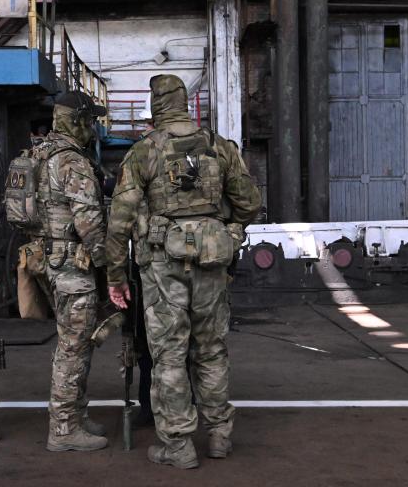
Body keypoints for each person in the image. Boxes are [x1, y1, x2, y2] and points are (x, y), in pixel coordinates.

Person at [105, 74, 261, 469]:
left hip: (162, 265)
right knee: (211, 350)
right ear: (187, 104)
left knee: (169, 355)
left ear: (155, 106)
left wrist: (115, 276)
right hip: (212, 262)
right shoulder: (219, 146)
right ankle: (220, 436)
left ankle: (178, 446)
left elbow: (120, 219)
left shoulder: (143, 152)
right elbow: (249, 203)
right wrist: (227, 228)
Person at [24, 91, 110, 452]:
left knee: (76, 342)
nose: (94, 128)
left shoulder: (38, 154)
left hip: (44, 257)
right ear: (79, 121)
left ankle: (75, 414)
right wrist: (109, 263)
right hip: (72, 264)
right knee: (74, 346)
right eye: (91, 121)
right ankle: (62, 429)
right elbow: (88, 220)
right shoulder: (72, 161)